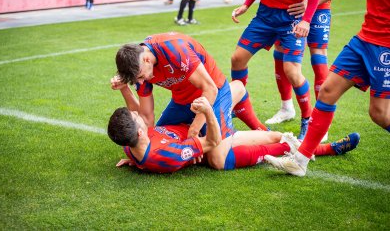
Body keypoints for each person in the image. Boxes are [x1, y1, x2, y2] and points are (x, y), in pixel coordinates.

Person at [264, 0, 390, 177]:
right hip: (365, 37)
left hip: (386, 44)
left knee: (379, 114)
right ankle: (300, 162)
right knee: (328, 91)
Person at [109, 80, 359, 173]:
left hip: (201, 131)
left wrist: (124, 88)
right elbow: (211, 143)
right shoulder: (164, 155)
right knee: (267, 143)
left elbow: (137, 126)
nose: (138, 113)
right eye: (137, 117)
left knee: (237, 90)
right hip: (213, 140)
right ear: (140, 132)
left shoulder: (131, 145)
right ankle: (326, 149)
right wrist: (208, 113)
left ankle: (251, 121)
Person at [245, 0, 345, 135]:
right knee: (281, 51)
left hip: (318, 4)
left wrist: (310, 2)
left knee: (318, 54)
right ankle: (286, 108)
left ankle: (319, 120)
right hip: (289, 4)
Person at [230, 0, 322, 140]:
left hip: (290, 19)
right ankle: (238, 104)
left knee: (292, 71)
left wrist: (306, 20)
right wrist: (246, 5)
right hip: (265, 16)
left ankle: (307, 118)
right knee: (237, 59)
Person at [113, 32, 267, 141]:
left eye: (140, 77)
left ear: (146, 59)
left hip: (214, 92)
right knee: (161, 137)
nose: (141, 82)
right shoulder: (139, 68)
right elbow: (146, 118)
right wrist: (140, 151)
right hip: (183, 100)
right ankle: (232, 100)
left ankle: (273, 137)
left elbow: (210, 89)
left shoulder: (175, 49)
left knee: (217, 155)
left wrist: (194, 130)